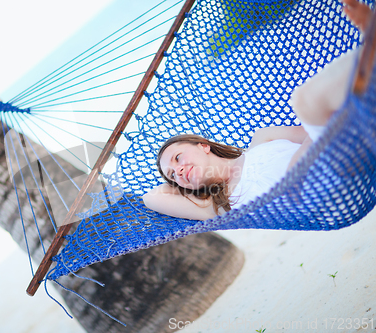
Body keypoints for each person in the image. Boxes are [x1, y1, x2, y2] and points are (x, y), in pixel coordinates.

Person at [142, 0, 373, 221]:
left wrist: (304, 155)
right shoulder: (215, 205)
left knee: (310, 106)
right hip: (315, 190)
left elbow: (316, 132)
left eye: (178, 157)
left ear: (204, 145)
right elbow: (151, 198)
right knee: (304, 103)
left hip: (340, 155)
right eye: (173, 175)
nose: (178, 170)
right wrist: (181, 177)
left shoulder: (262, 138)